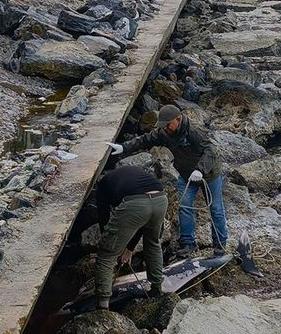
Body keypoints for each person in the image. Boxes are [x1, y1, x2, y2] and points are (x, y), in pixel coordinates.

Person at [107, 104, 228, 258]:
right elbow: (146, 139)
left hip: (209, 174)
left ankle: (220, 245)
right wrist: (124, 147)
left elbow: (211, 150)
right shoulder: (165, 133)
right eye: (163, 126)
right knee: (184, 206)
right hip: (186, 175)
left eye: (168, 125)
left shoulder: (194, 131)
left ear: (178, 119)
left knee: (216, 209)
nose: (165, 129)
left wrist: (200, 170)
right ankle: (188, 244)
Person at [94, 165, 168, 310]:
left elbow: (104, 220)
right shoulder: (129, 175)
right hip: (160, 200)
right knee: (153, 244)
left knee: (106, 254)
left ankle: (103, 306)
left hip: (137, 204)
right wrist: (128, 248)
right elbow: (142, 223)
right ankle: (156, 289)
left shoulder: (102, 187)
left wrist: (114, 246)